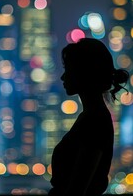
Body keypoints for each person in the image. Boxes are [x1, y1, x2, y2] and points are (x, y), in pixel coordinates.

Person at [48, 37, 129, 196]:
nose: (63, 77)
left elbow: (78, 188)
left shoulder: (94, 120)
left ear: (83, 72)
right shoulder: (94, 117)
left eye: (68, 69)